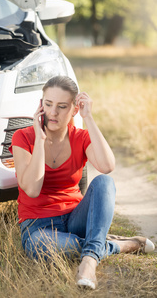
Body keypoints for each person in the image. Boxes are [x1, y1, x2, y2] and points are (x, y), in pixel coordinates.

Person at [9, 76, 155, 290]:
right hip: (38, 227)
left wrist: (89, 118)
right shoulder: (23, 137)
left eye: (61, 106)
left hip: (76, 218)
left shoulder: (81, 136)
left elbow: (107, 166)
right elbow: (32, 189)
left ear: (74, 110)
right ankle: (116, 245)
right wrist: (39, 141)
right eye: (48, 104)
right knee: (45, 247)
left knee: (105, 181)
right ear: (40, 105)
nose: (53, 113)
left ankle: (89, 261)